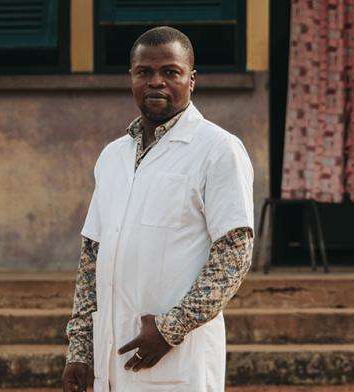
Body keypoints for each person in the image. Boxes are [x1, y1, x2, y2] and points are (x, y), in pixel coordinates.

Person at [62, 26, 254, 392]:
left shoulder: (218, 150)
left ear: (191, 80)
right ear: (131, 78)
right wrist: (81, 349)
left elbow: (234, 255)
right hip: (111, 358)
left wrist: (170, 329)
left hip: (178, 360)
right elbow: (92, 258)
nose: (156, 82)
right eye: (144, 72)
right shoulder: (112, 156)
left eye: (170, 72)